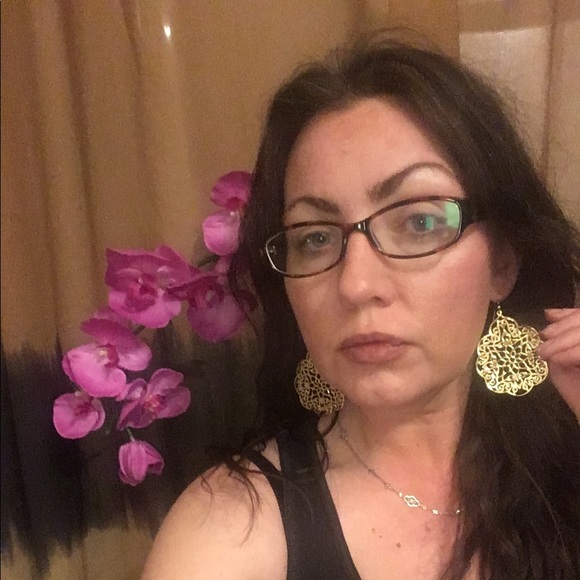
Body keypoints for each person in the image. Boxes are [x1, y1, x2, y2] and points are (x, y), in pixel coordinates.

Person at [142, 33, 580, 579]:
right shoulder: (229, 531)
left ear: (503, 264)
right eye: (315, 237)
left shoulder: (561, 455)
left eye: (419, 221)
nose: (355, 285)